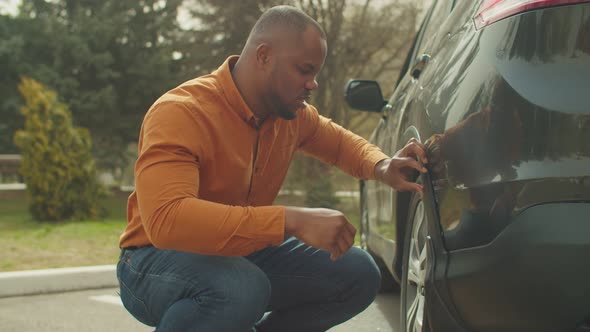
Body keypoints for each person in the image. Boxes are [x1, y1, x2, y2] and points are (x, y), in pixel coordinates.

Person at [117, 5, 428, 332]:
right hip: (152, 260)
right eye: (304, 70)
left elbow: (339, 143)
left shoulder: (289, 115)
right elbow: (168, 221)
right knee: (239, 288)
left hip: (238, 253)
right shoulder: (181, 112)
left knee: (358, 273)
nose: (313, 85)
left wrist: (382, 166)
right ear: (263, 56)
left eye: (315, 74)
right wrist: (290, 220)